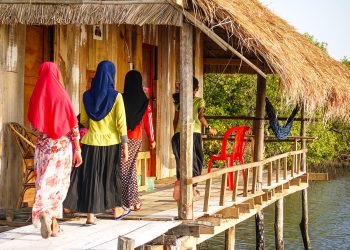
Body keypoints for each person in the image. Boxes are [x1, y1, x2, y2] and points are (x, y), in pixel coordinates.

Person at [64, 60, 129, 223]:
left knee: (92, 178)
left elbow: (84, 121)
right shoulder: (117, 97)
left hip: (90, 142)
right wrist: (125, 146)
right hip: (111, 142)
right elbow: (121, 123)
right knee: (111, 177)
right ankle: (116, 210)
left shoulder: (86, 95)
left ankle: (90, 216)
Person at [28, 62, 82, 239]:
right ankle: (51, 220)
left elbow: (33, 125)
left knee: (44, 183)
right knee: (58, 185)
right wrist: (78, 150)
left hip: (43, 148)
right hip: (61, 149)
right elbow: (73, 125)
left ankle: (51, 220)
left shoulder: (37, 94)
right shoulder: (62, 95)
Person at [171, 77, 217, 200]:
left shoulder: (179, 102)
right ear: (196, 89)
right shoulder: (199, 100)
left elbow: (175, 121)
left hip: (177, 136)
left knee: (181, 162)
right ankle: (192, 189)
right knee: (197, 161)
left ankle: (181, 185)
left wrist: (176, 134)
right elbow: (201, 117)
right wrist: (210, 128)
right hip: (193, 134)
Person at [121, 70, 156, 211]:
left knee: (124, 169)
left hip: (120, 138)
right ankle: (131, 201)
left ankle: (129, 201)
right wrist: (152, 139)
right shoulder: (144, 100)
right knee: (129, 168)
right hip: (135, 138)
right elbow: (149, 121)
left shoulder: (121, 98)